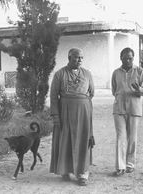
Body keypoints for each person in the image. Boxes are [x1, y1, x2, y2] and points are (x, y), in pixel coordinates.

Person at [49, 48, 95, 186]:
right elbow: (53, 97)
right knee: (66, 140)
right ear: (69, 57)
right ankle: (66, 170)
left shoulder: (87, 74)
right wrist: (56, 115)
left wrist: (81, 103)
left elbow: (91, 93)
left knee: (83, 140)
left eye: (81, 57)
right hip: (65, 112)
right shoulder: (59, 74)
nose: (79, 60)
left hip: (83, 113)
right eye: (76, 57)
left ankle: (83, 173)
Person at [111, 47, 143, 176]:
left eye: (130, 58)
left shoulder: (140, 71)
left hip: (134, 108)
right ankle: (120, 166)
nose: (128, 60)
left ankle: (130, 164)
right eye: (125, 58)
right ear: (121, 58)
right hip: (119, 109)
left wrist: (139, 90)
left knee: (132, 137)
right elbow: (114, 90)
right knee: (121, 137)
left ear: (133, 58)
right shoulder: (116, 73)